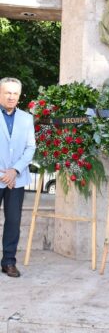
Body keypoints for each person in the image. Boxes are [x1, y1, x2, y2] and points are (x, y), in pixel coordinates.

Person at [0, 77, 36, 277]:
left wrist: (15, 170)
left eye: (15, 93)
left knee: (13, 221)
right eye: (7, 92)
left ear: (19, 96)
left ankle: (8, 262)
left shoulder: (26, 118)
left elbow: (30, 147)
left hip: (17, 179)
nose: (11, 97)